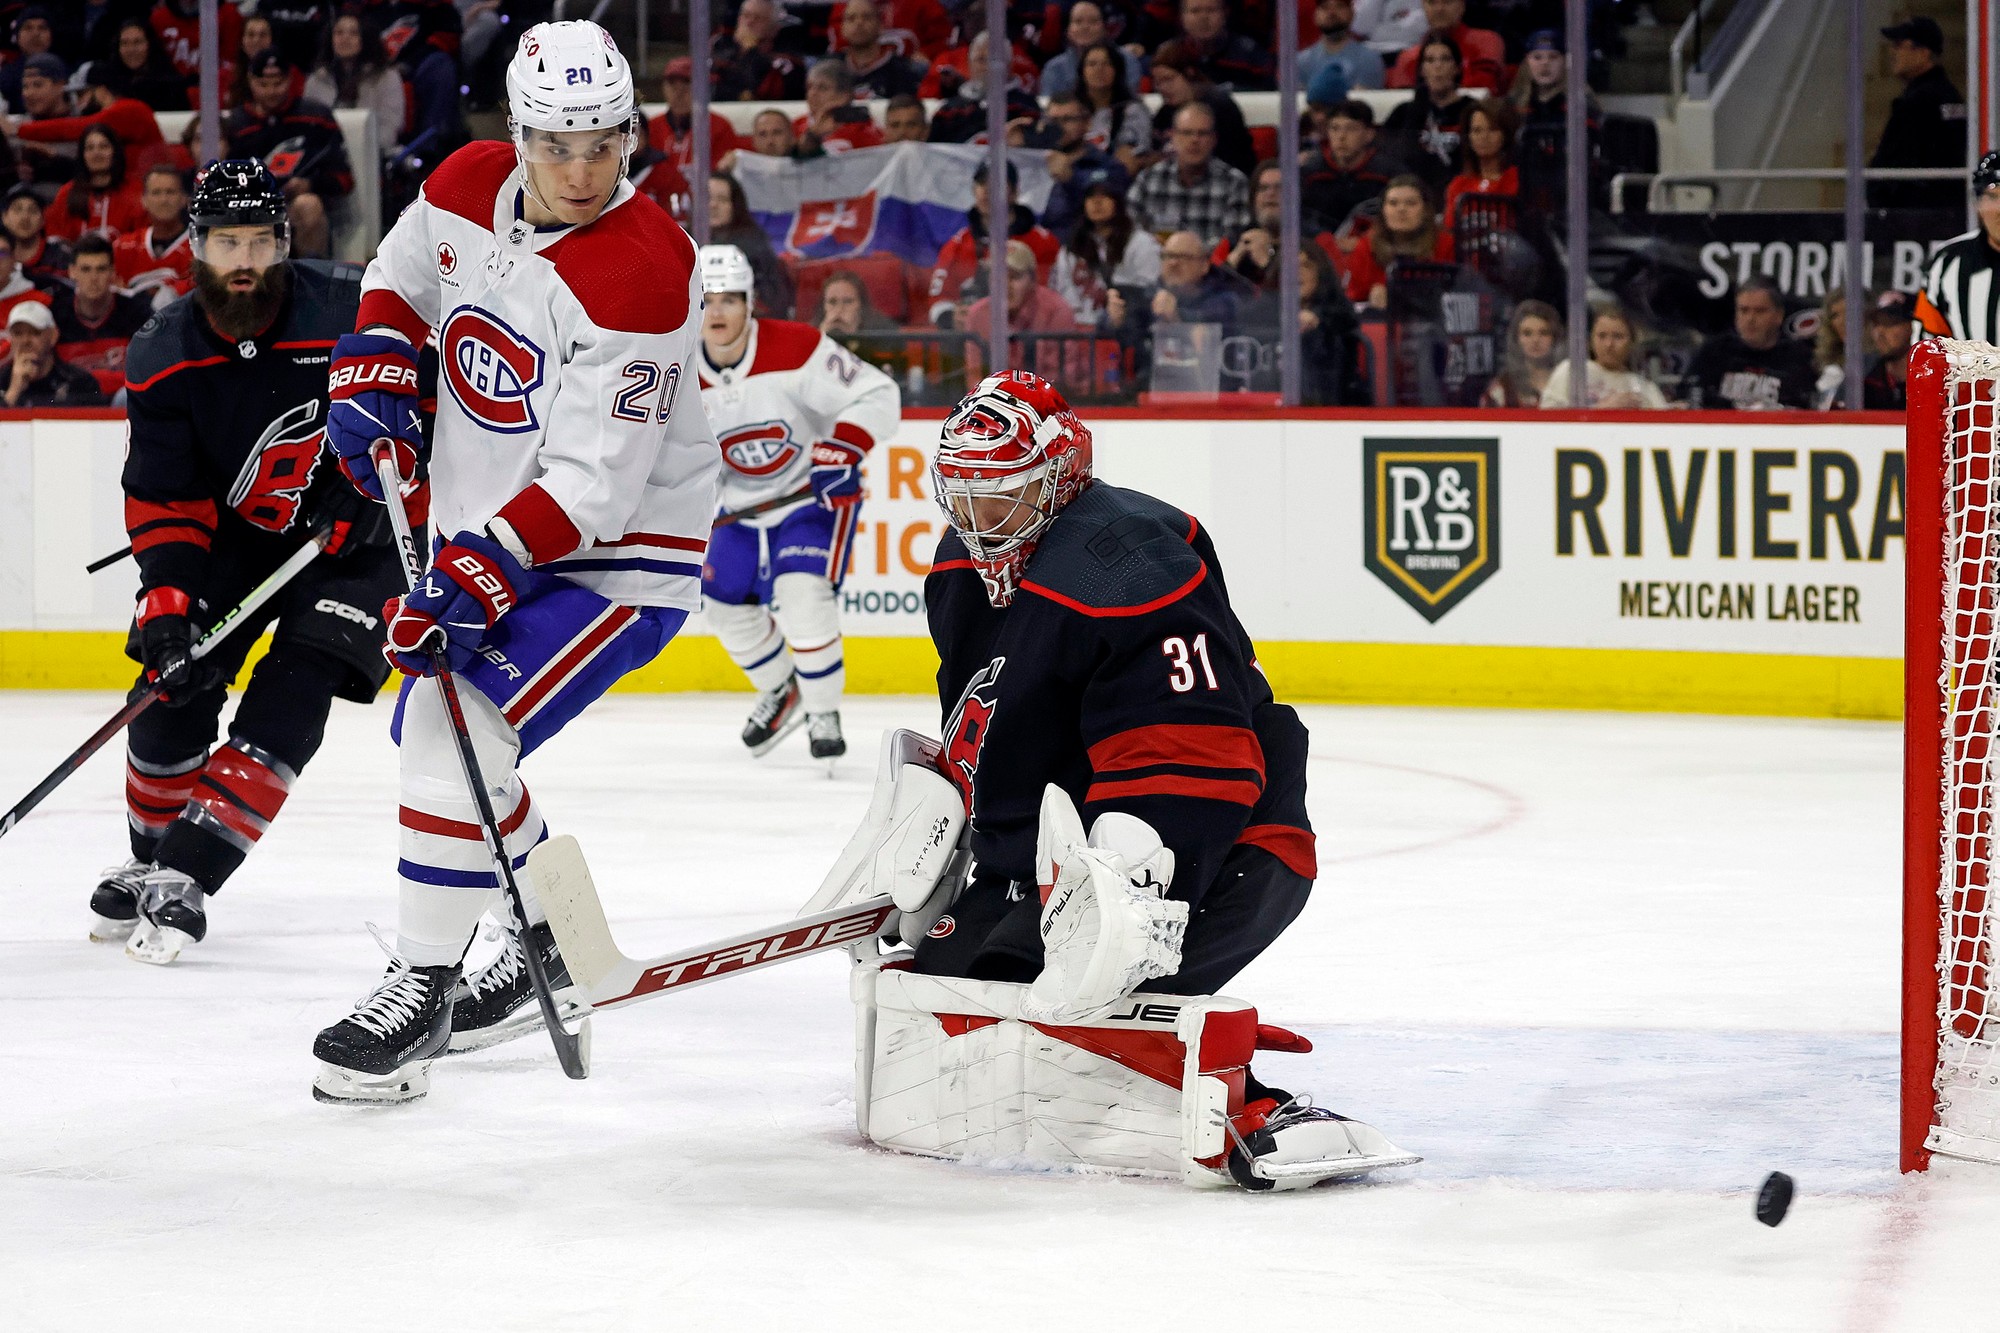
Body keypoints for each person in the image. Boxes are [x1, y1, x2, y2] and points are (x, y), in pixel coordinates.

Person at [310, 21, 719, 1103]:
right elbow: (400, 274)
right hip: (497, 530)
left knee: (450, 728)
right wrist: (377, 360)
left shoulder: (643, 272)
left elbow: (596, 484)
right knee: (444, 743)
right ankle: (544, 942)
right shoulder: (461, 181)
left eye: (604, 144)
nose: (583, 171)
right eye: (558, 145)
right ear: (517, 132)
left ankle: (423, 988)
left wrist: (479, 568)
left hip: (615, 561)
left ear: (630, 134)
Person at [912, 370, 1372, 1188]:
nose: (979, 522)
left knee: (1046, 998)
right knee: (953, 990)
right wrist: (960, 860)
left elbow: (1194, 763)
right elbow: (992, 726)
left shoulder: (1129, 563)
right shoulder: (957, 568)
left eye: (1003, 496)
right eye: (965, 494)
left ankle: (1253, 1099)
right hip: (1068, 840)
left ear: (1059, 479)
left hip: (1229, 836)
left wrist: (1118, 913)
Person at [91, 159, 393, 964]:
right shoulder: (162, 351)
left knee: (293, 697)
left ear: (285, 242)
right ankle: (149, 855)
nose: (246, 259)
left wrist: (376, 487)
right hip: (234, 539)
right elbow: (166, 496)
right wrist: (166, 614)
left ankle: (188, 874)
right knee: (168, 690)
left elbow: (429, 402)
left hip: (355, 546)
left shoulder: (350, 305)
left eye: (260, 239)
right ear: (196, 247)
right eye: (228, 241)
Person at [694, 243, 901, 761]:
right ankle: (782, 689)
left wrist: (843, 448)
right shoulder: (671, 368)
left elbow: (878, 394)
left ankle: (823, 710)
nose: (716, 312)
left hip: (810, 496)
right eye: (706, 300)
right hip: (737, 506)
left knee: (803, 595)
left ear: (750, 303)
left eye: (729, 299)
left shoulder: (797, 347)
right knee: (719, 607)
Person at [225, 51, 353, 259]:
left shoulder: (316, 117)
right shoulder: (236, 125)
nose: (271, 92)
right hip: (249, 209)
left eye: (278, 83)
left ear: (290, 79)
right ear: (250, 81)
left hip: (298, 210)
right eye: (263, 84)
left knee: (308, 205)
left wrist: (308, 184)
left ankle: (309, 283)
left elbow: (344, 180)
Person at [928, 158, 1060, 327]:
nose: (987, 190)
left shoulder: (1043, 242)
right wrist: (950, 317)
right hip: (972, 340)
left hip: (1030, 338)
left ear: (1014, 192)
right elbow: (938, 297)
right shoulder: (957, 245)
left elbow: (1053, 297)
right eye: (982, 183)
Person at [1869, 16, 1967, 212]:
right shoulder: (1948, 95)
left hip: (1916, 215)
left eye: (1899, 45)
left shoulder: (1920, 101)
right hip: (1942, 210)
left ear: (1923, 52)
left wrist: (1882, 193)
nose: (1892, 52)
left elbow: (1898, 160)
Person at [963, 238, 1091, 386]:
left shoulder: (1057, 311)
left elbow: (1063, 378)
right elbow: (974, 376)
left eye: (1015, 277)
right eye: (998, 277)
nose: (1005, 285)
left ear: (1032, 280)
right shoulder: (977, 314)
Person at [1128, 102, 1251, 251]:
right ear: (1172, 137)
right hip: (1155, 268)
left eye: (1202, 133)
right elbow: (1130, 231)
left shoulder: (1234, 183)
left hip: (1212, 270)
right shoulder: (1148, 180)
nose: (1194, 140)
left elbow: (1230, 241)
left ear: (1214, 139)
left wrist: (1186, 257)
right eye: (1186, 133)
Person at [1053, 168, 1161, 327]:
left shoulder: (1141, 244)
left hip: (1126, 332)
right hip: (1077, 334)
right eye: (1090, 195)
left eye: (1105, 194)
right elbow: (1062, 298)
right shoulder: (1071, 249)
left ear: (1118, 201)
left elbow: (1149, 298)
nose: (1097, 201)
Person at [1685, 277, 1815, 410]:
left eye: (1760, 311)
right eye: (1744, 310)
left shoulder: (1799, 358)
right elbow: (1688, 396)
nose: (1750, 319)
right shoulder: (1714, 352)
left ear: (1779, 316)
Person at [1914, 152, 2000, 343]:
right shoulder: (1947, 262)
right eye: (1992, 197)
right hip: (1968, 374)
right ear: (1977, 203)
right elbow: (1928, 346)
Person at [52, 233, 152, 393]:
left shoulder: (137, 313)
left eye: (101, 269)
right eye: (85, 269)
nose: (93, 278)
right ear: (72, 272)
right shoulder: (56, 315)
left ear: (112, 272)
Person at [1329, 174, 1449, 307]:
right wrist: (1371, 298)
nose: (1401, 209)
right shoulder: (1367, 246)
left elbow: (1459, 294)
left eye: (1411, 203)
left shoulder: (1447, 244)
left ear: (1426, 210)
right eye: (1393, 203)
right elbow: (1353, 298)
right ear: (1383, 210)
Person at [1380, 31, 1475, 198]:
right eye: (1430, 60)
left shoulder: (1473, 110)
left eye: (1445, 59)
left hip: (1460, 192)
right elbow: (1389, 159)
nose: (1437, 66)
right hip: (1412, 195)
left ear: (1457, 68)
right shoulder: (1404, 112)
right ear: (1421, 70)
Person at [1104, 228, 1250, 337]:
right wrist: (1114, 320)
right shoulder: (1146, 293)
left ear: (1204, 265)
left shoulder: (1225, 300)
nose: (1173, 263)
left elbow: (1214, 332)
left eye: (1183, 257)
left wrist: (1177, 318)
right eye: (1169, 256)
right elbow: (1130, 341)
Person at [305, 12, 407, 163]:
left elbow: (390, 127)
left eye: (353, 33)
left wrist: (358, 151)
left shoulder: (387, 77)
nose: (345, 38)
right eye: (339, 32)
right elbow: (308, 127)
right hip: (326, 160)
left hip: (374, 156)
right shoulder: (316, 80)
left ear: (366, 38)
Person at [1147, 40, 1256, 178]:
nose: (1162, 88)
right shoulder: (1165, 112)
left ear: (1189, 73)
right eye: (1157, 83)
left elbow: (1233, 159)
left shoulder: (1219, 108)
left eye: (1168, 80)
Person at [12, 59, 164, 155]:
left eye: (82, 94)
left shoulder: (129, 110)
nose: (79, 102)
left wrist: (18, 130)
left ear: (101, 91)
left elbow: (75, 128)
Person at [1031, 91, 1129, 238]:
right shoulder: (1033, 160)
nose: (1058, 127)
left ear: (1087, 123)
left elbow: (1109, 213)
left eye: (1067, 119)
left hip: (1078, 248)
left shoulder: (1108, 167)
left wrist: (1071, 180)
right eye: (1052, 121)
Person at [1301, 97, 1401, 234]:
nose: (1341, 136)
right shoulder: (1310, 173)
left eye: (1351, 128)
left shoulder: (1390, 174)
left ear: (1369, 134)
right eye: (1334, 128)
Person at [1540, 304, 1667, 409]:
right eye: (1602, 336)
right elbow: (1548, 419)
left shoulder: (1645, 388)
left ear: (1632, 342)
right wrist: (1603, 409)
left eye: (1618, 336)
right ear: (1591, 340)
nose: (1609, 344)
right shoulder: (1572, 371)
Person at [710, 171, 794, 319]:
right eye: (707, 198)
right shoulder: (684, 241)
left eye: (722, 199)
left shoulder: (755, 246)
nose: (713, 205)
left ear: (735, 205)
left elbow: (772, 300)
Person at [647, 57, 742, 180]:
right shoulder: (651, 127)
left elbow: (723, 175)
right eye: (672, 86)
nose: (679, 94)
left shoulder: (720, 127)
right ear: (663, 88)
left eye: (686, 86)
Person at [46, 124, 145, 242]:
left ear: (115, 152)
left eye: (103, 146)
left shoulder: (136, 191)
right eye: (90, 148)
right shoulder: (66, 193)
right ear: (82, 155)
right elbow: (56, 240)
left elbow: (142, 239)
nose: (96, 153)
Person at [113, 162, 193, 305]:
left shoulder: (199, 248)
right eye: (156, 192)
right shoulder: (123, 247)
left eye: (170, 192)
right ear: (144, 200)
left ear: (184, 199)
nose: (163, 200)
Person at [0, 298, 105, 406]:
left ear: (53, 336)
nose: (25, 341)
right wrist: (14, 390)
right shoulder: (2, 381)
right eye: (18, 334)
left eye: (35, 333)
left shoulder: (80, 383)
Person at [1383, 0, 1503, 94]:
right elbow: (1400, 99)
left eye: (1447, 2)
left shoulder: (1486, 41)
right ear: (1423, 6)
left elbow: (1483, 91)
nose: (1439, 9)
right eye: (1432, 2)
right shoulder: (1408, 57)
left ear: (1462, 6)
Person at [1075, 39, 1153, 174]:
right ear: (1082, 71)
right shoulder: (1070, 109)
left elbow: (1131, 157)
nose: (1099, 69)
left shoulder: (1133, 111)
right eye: (1092, 64)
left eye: (1107, 64)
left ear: (1117, 70)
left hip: (1113, 179)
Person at [1038, 2, 1144, 98]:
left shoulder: (1126, 60)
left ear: (1105, 29)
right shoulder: (1054, 68)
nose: (1085, 27)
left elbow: (1130, 101)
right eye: (1078, 22)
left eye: (1093, 21)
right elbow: (1048, 108)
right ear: (1068, 30)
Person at [1441, 100, 1518, 231]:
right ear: (1468, 137)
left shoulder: (1518, 178)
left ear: (1506, 134)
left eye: (1493, 129)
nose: (1484, 137)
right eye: (1477, 131)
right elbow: (1449, 234)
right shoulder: (1458, 185)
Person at [712, 0, 808, 102]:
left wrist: (751, 51)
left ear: (774, 28)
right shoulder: (720, 55)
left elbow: (755, 94)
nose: (749, 22)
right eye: (746, 16)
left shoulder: (787, 62)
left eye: (758, 18)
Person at [834, 0, 926, 100]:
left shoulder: (903, 71)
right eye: (851, 19)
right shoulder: (831, 67)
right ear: (842, 28)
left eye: (867, 17)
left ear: (881, 25)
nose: (859, 23)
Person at [1175, 0, 1273, 91]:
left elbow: (1270, 95)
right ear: (1182, 16)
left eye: (1211, 10)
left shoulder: (1250, 55)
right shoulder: (1170, 54)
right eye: (1195, 11)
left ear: (1225, 13)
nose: (1203, 17)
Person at [796, 59, 885, 154]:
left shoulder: (863, 129)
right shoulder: (795, 127)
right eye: (809, 87)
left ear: (844, 95)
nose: (813, 93)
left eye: (823, 88)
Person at [1484, 299, 1561, 406]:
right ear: (1516, 339)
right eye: (1527, 333)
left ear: (1555, 337)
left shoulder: (1569, 383)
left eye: (1543, 333)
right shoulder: (1502, 389)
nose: (1535, 340)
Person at [104, 19, 190, 112]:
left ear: (150, 45)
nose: (131, 50)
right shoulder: (109, 84)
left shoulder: (171, 85)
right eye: (124, 43)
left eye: (137, 42)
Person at [1298, 0, 1384, 91]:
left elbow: (1365, 100)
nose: (1331, 12)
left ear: (1351, 13)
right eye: (1324, 7)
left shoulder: (1369, 58)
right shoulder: (1302, 61)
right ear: (1315, 15)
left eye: (1339, 6)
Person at [4, 183, 71, 283]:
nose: (25, 217)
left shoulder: (61, 258)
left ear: (43, 219)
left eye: (33, 210)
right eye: (17, 209)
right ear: (4, 218)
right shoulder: (1, 256)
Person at [1862, 292, 1913, 411]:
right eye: (1876, 324)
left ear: (1912, 326)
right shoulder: (1865, 385)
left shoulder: (1936, 384)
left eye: (1889, 323)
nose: (1879, 332)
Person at [815, 268, 901, 336]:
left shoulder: (883, 333)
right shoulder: (812, 332)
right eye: (832, 302)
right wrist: (821, 338)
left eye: (848, 301)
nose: (839, 309)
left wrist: (854, 337)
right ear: (823, 306)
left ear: (861, 305)